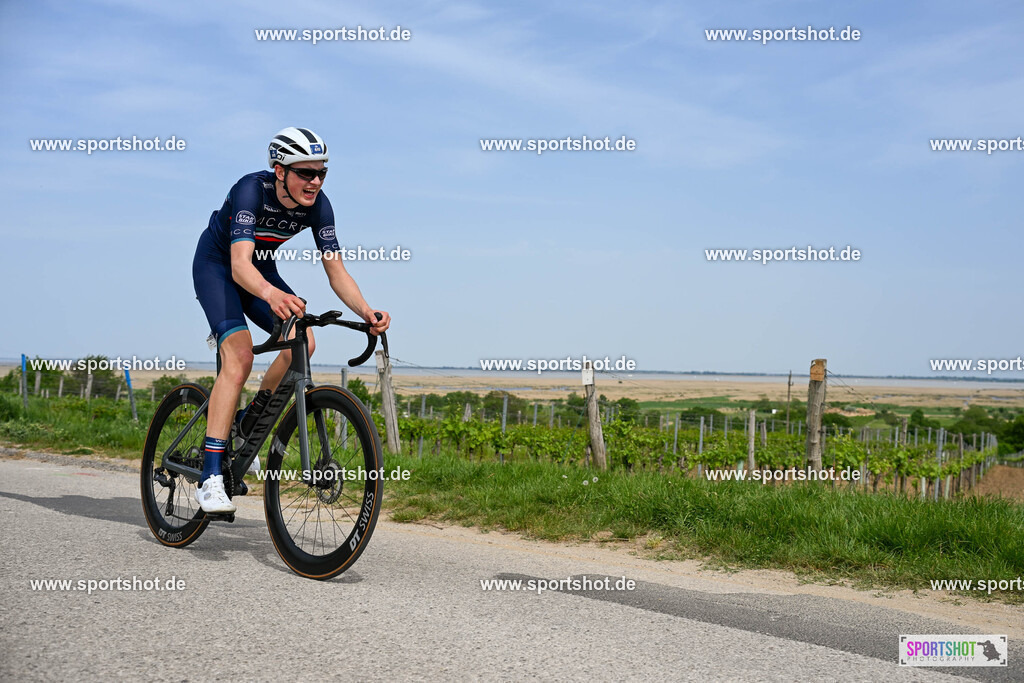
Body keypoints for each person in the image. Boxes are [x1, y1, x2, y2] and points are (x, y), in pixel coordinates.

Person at [191, 127, 390, 513]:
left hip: (261, 271)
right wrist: (272, 294)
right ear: (280, 171)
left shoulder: (319, 206)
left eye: (322, 173)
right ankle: (210, 475)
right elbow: (239, 265)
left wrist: (366, 311)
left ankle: (249, 422)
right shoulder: (251, 190)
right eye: (306, 173)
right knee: (240, 357)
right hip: (218, 267)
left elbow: (336, 271)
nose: (315, 182)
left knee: (305, 342)